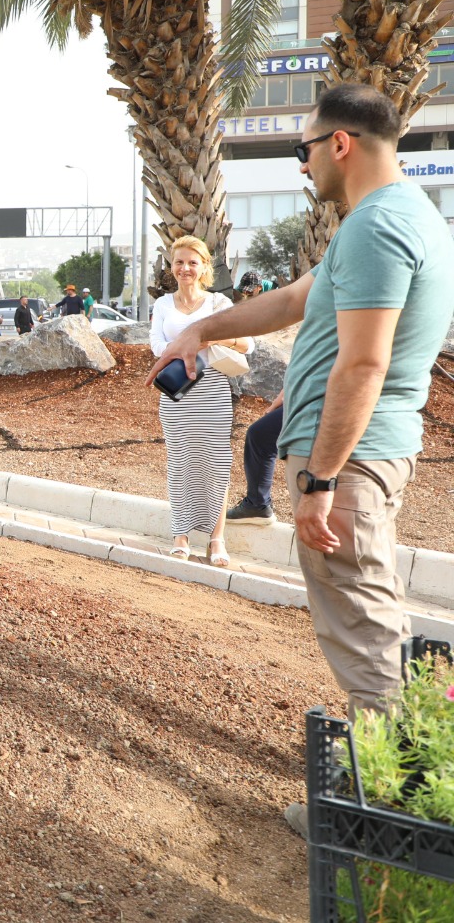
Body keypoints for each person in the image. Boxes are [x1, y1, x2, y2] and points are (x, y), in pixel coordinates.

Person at [149, 82, 454, 724]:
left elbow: (365, 362)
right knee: (367, 612)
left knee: (363, 631)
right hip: (357, 455)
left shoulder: (381, 226)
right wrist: (201, 329)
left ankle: (382, 809)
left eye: (304, 147)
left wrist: (320, 479)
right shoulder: (382, 220)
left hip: (348, 462)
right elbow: (292, 299)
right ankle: (385, 785)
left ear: (339, 144)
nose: (302, 162)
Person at [149, 236, 250, 566]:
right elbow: (156, 347)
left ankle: (216, 539)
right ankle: (180, 536)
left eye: (193, 262)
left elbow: (246, 344)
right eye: (179, 262)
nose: (185, 268)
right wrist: (190, 344)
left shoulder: (218, 304)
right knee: (180, 464)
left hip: (213, 391)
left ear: (205, 267)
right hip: (177, 394)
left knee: (216, 465)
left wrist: (202, 338)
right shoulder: (163, 305)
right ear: (172, 266)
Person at [227, 275, 281, 525]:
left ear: (260, 288)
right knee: (260, 435)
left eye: (251, 292)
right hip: (302, 391)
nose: (248, 295)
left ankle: (258, 503)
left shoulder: (276, 294)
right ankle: (258, 503)